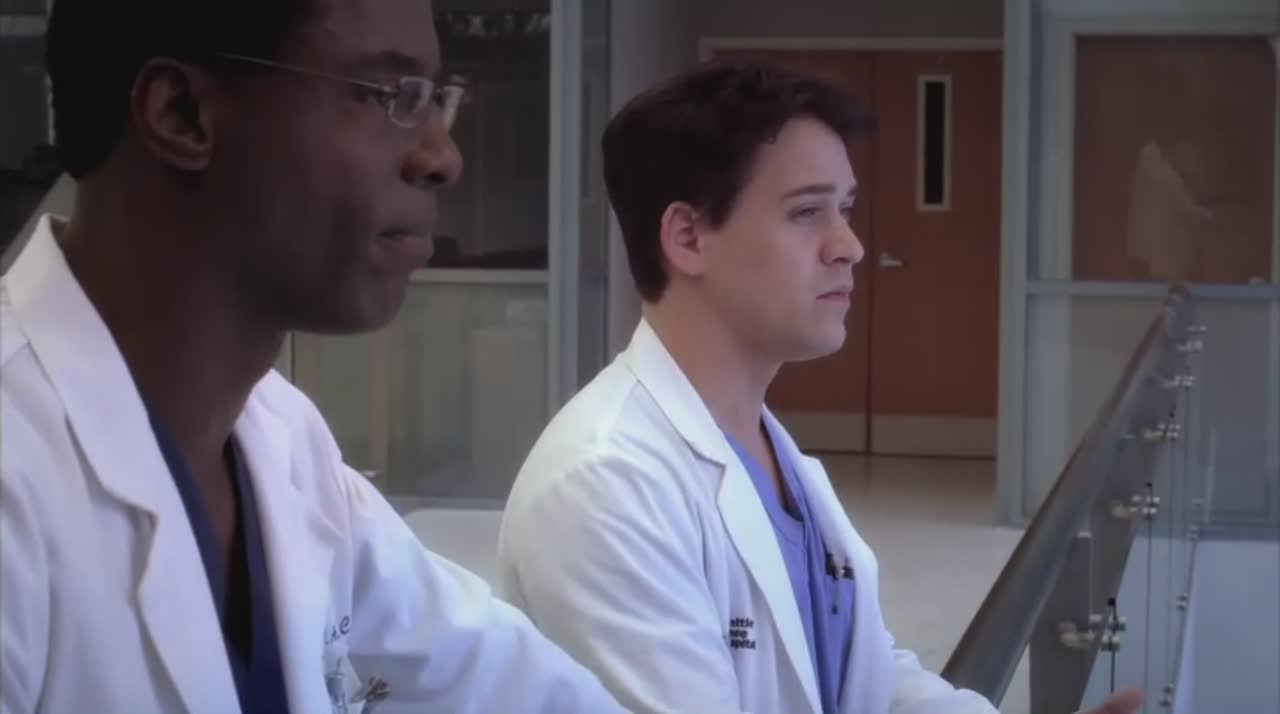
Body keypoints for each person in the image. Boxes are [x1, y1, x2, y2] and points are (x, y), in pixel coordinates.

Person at [0, 1, 626, 713]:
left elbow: (507, 684)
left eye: (437, 100)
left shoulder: (282, 440)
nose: (443, 157)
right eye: (388, 96)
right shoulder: (18, 477)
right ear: (182, 114)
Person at [496, 62, 1145, 714]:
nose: (850, 246)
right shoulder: (604, 484)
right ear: (688, 237)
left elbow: (861, 675)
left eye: (846, 209)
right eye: (807, 212)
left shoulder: (770, 452)